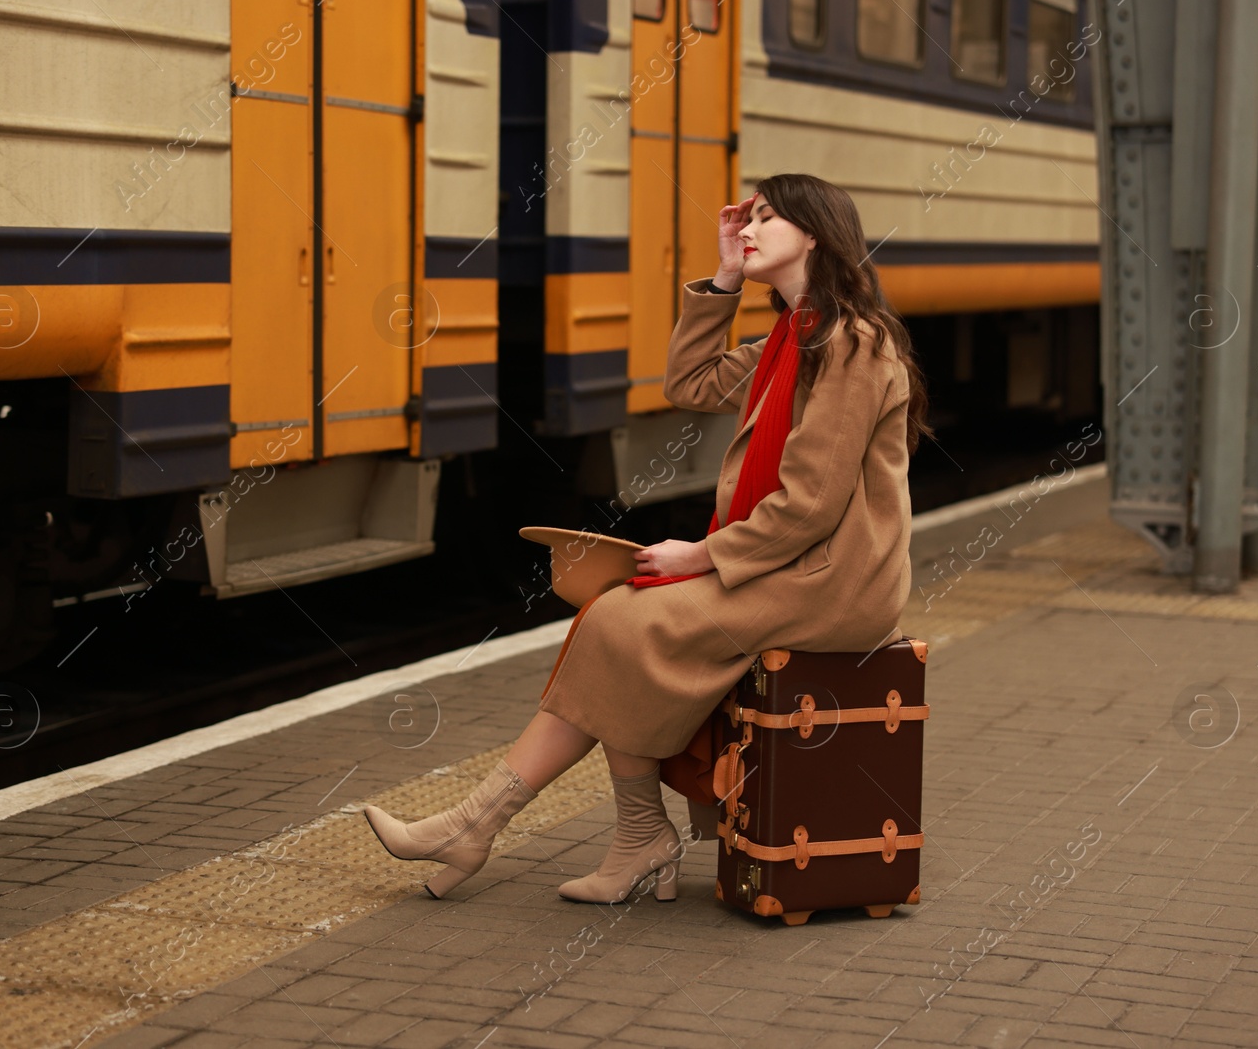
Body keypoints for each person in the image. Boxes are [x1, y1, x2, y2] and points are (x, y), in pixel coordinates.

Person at [363, 172, 932, 904]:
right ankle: (590, 833)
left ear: (815, 233)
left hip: (832, 578)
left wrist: (698, 556)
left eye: (765, 218)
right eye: (746, 219)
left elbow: (813, 505)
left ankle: (502, 826)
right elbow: (689, 382)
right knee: (613, 618)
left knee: (627, 626)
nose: (747, 228)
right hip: (786, 562)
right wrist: (724, 277)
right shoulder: (793, 340)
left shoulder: (852, 345)